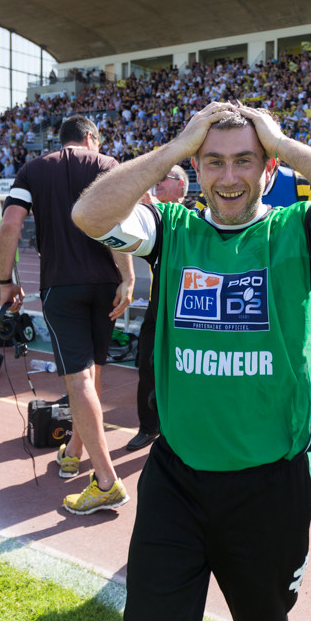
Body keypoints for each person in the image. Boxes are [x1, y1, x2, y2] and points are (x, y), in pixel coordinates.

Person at [71, 101, 311, 621]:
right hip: (178, 478)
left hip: (269, 484)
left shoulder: (297, 230)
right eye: (213, 162)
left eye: (245, 160)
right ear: (197, 167)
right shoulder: (170, 230)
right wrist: (173, 148)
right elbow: (89, 213)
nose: (228, 177)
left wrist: (285, 143)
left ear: (268, 168)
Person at [0, 115, 135, 515]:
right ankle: (74, 449)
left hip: (61, 284)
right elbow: (119, 222)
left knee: (78, 379)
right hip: (106, 283)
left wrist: (7, 280)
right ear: (91, 138)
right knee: (92, 371)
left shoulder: (34, 169)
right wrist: (127, 277)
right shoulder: (107, 164)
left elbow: (10, 224)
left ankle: (106, 481)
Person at [126, 165, 189, 453]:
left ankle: (182, 428)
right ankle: (149, 427)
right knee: (147, 365)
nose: (157, 184)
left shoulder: (198, 210)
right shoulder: (152, 215)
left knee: (189, 370)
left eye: (163, 178)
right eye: (156, 179)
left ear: (181, 184)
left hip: (190, 308)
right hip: (158, 303)